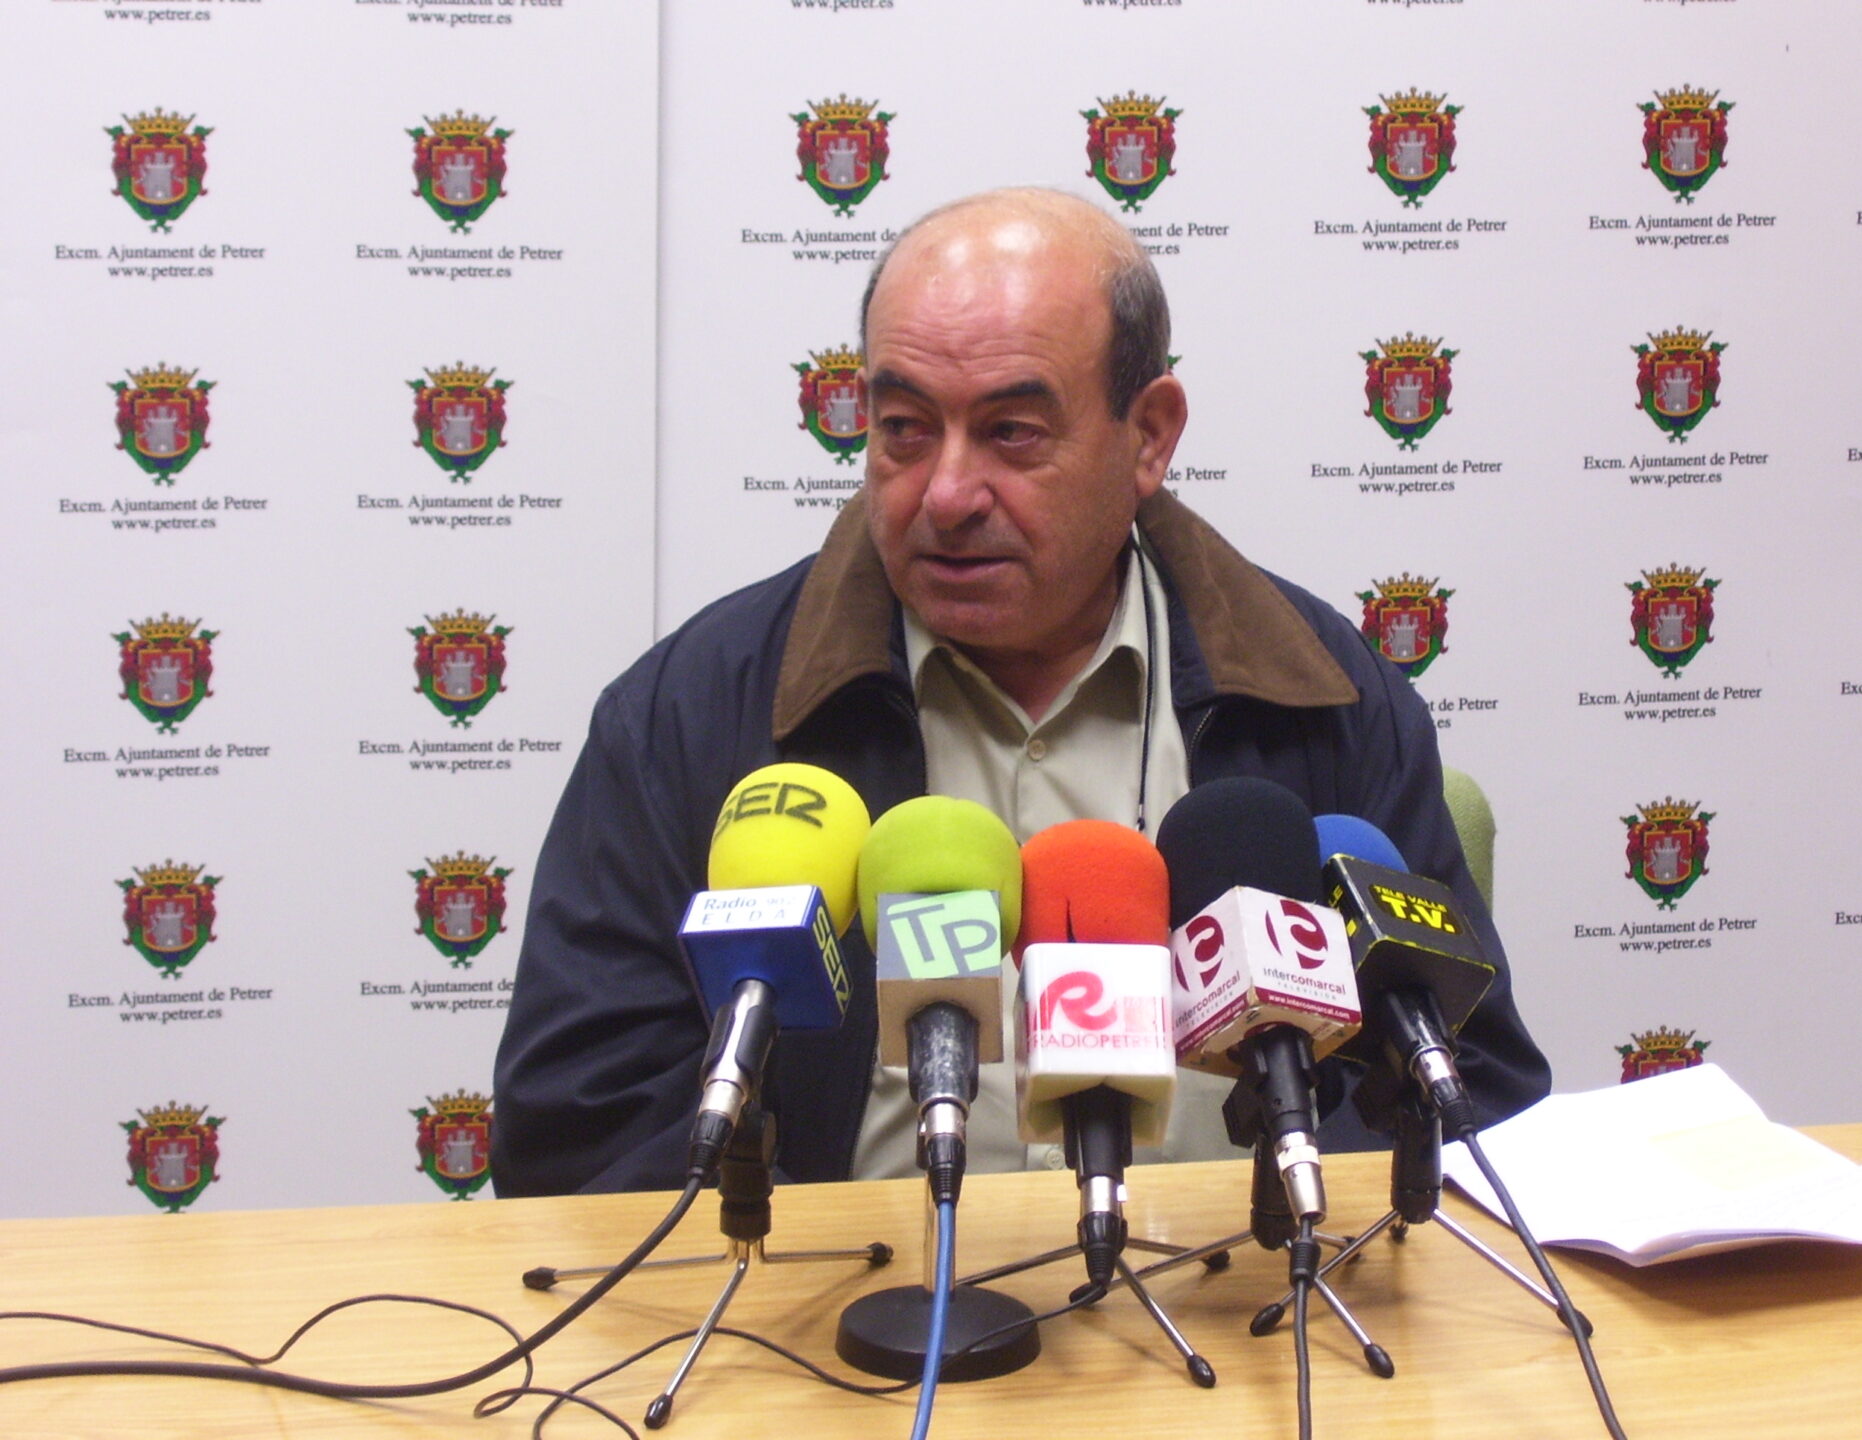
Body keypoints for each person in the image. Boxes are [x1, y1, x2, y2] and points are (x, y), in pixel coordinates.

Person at [490, 189, 1549, 1196]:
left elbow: (1471, 1095)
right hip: (841, 1310)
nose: (947, 493)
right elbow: (579, 1130)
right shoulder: (694, 714)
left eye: (1012, 433)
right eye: (904, 428)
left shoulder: (1322, 698)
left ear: (1148, 436)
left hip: (1250, 1300)